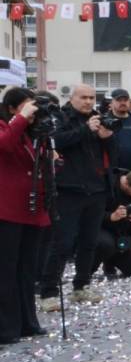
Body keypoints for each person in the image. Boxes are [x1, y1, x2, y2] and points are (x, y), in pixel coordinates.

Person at [40, 84, 116, 311]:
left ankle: (81, 285)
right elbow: (54, 142)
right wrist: (85, 129)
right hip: (69, 190)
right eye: (83, 97)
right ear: (72, 98)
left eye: (92, 97)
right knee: (62, 244)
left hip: (96, 189)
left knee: (89, 242)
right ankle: (49, 292)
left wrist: (107, 137)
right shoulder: (61, 117)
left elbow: (113, 156)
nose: (88, 101)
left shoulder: (97, 119)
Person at [0, 88, 50, 343]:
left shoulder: (32, 133)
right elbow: (5, 144)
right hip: (7, 210)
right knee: (6, 270)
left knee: (27, 269)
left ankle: (28, 322)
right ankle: (7, 328)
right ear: (11, 108)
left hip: (31, 209)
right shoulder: (7, 128)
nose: (33, 112)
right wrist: (21, 119)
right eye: (28, 106)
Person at [94, 169, 131, 280]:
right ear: (125, 184)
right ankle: (86, 273)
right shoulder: (109, 186)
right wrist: (111, 216)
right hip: (106, 230)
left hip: (127, 233)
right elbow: (93, 214)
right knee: (106, 245)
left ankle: (111, 259)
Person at [104, 88, 131, 174]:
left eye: (125, 100)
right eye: (119, 100)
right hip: (114, 173)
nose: (123, 103)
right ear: (112, 102)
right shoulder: (105, 122)